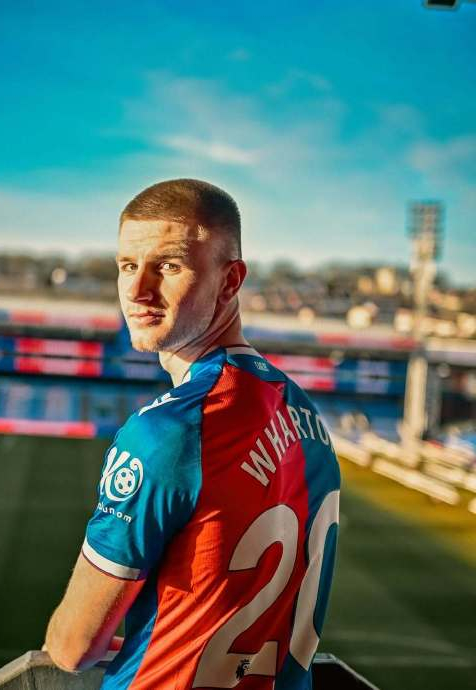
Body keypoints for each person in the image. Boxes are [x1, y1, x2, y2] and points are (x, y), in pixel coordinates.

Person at [44, 178, 340, 689]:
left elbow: (73, 648)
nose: (137, 291)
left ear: (230, 280)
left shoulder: (169, 431)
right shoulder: (305, 414)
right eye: (128, 265)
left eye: (169, 266)